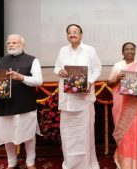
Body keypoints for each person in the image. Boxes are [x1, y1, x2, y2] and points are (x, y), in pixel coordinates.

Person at [54, 24, 101, 169]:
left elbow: (97, 68)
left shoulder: (90, 50)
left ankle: (87, 165)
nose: (72, 34)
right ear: (67, 35)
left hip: (83, 100)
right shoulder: (63, 50)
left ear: (81, 35)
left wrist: (90, 81)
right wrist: (59, 71)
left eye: (75, 32)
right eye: (69, 32)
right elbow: (56, 67)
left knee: (84, 133)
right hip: (68, 100)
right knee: (68, 133)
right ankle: (70, 164)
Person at [0, 34, 43, 169]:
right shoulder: (0, 61)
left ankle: (30, 162)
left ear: (22, 44)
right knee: (7, 136)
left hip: (25, 105)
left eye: (14, 42)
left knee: (29, 136)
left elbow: (39, 81)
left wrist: (21, 77)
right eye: (8, 43)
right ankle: (12, 162)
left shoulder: (33, 60)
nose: (10, 45)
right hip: (5, 105)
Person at [107, 42, 137, 169]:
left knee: (134, 135)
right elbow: (109, 83)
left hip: (136, 106)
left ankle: (135, 164)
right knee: (123, 135)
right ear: (122, 52)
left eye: (132, 49)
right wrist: (117, 79)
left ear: (135, 51)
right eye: (126, 49)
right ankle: (123, 163)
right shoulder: (118, 66)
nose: (129, 51)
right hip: (120, 107)